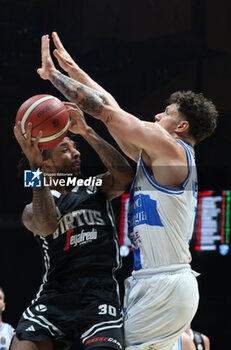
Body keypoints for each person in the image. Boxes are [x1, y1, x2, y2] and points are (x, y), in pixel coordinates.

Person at [37, 33, 218, 350]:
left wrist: (55, 77)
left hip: (163, 282)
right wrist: (75, 71)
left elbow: (105, 111)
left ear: (182, 126)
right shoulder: (159, 156)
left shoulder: (171, 148)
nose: (158, 115)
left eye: (167, 112)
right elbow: (113, 107)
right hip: (157, 282)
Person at [10, 104, 133, 350]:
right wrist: (35, 169)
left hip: (100, 291)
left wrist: (87, 131)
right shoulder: (32, 209)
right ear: (46, 166)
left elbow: (125, 177)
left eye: (76, 147)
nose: (77, 153)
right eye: (66, 149)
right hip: (56, 292)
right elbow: (46, 226)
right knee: (22, 345)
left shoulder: (95, 187)